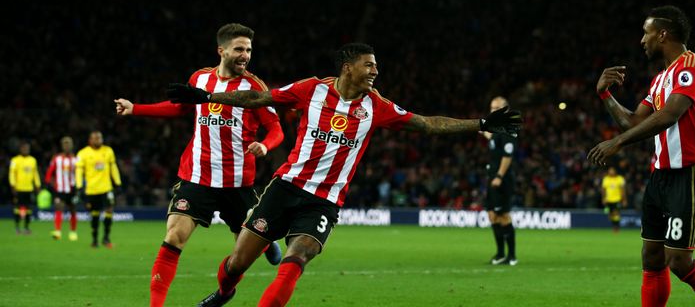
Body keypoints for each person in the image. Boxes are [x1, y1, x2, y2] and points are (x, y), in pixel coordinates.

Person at [167, 42, 523, 307]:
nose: (375, 72)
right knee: (237, 262)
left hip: (324, 201)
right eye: (369, 65)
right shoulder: (312, 89)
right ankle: (225, 292)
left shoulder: (376, 107)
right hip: (285, 187)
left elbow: (428, 124)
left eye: (376, 67)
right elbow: (259, 99)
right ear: (348, 67)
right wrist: (205, 95)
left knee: (297, 257)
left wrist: (481, 123)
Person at [114, 23, 285, 307]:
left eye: (249, 50)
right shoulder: (200, 79)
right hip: (197, 176)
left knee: (241, 258)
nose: (245, 55)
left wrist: (266, 145)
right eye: (239, 49)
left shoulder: (255, 87)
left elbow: (276, 129)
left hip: (237, 183)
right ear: (221, 50)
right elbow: (180, 107)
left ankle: (228, 289)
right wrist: (136, 108)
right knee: (174, 236)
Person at [588, 6, 695, 307]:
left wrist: (617, 143)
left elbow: (670, 115)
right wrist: (605, 95)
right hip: (661, 175)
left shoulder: (692, 66)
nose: (642, 40)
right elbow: (633, 122)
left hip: (691, 172)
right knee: (652, 257)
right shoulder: (661, 79)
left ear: (662, 34)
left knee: (680, 261)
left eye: (646, 33)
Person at [481, 96, 519, 265]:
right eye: (491, 107)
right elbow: (495, 142)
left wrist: (499, 176)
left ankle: (511, 256)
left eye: (497, 107)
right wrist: (485, 133)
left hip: (501, 180)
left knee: (503, 215)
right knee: (491, 215)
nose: (493, 110)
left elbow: (507, 155)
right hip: (492, 178)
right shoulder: (497, 130)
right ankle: (500, 254)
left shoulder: (508, 129)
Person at [76, 130, 121, 248]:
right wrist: (79, 186)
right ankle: (95, 239)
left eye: (100, 138)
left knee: (109, 210)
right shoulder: (83, 153)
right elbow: (79, 171)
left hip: (106, 188)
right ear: (90, 140)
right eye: (95, 138)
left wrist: (118, 183)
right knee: (94, 214)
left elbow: (113, 167)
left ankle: (106, 238)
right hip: (91, 190)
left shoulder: (108, 151)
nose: (98, 140)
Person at [45, 136, 79, 241]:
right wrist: (52, 184)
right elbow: (49, 174)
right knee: (59, 208)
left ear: (72, 145)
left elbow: (80, 174)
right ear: (62, 146)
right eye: (65, 143)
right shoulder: (56, 159)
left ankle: (73, 233)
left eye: (69, 143)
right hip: (59, 189)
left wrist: (79, 187)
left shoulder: (76, 160)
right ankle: (58, 232)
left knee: (72, 210)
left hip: (72, 189)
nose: (67, 145)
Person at [9, 142, 40, 235]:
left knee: (29, 209)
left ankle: (26, 228)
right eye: (24, 148)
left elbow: (35, 173)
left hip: (29, 188)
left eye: (27, 148)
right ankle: (17, 227)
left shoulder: (33, 160)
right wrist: (12, 185)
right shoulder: (15, 160)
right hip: (19, 188)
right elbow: (11, 173)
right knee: (18, 209)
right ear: (20, 149)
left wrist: (37, 184)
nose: (26, 150)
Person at [601, 166, 626, 233]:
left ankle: (616, 228)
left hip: (617, 199)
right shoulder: (606, 179)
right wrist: (603, 198)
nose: (611, 172)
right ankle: (614, 227)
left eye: (612, 170)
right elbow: (603, 190)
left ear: (615, 171)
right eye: (610, 170)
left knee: (616, 213)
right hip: (608, 200)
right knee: (611, 215)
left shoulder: (620, 178)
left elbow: (623, 190)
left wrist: (624, 199)